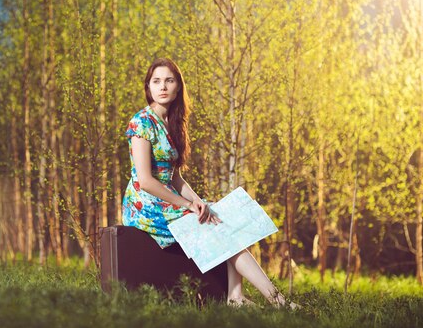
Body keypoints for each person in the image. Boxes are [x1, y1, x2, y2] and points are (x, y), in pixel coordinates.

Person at [121, 57, 297, 309]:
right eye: (156, 81)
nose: (162, 87)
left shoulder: (173, 123)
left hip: (169, 200)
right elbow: (147, 181)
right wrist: (187, 205)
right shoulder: (141, 123)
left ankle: (236, 296)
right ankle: (278, 301)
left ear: (178, 86)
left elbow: (176, 178)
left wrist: (199, 203)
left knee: (224, 216)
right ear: (148, 87)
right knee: (219, 229)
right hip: (145, 206)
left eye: (169, 80)